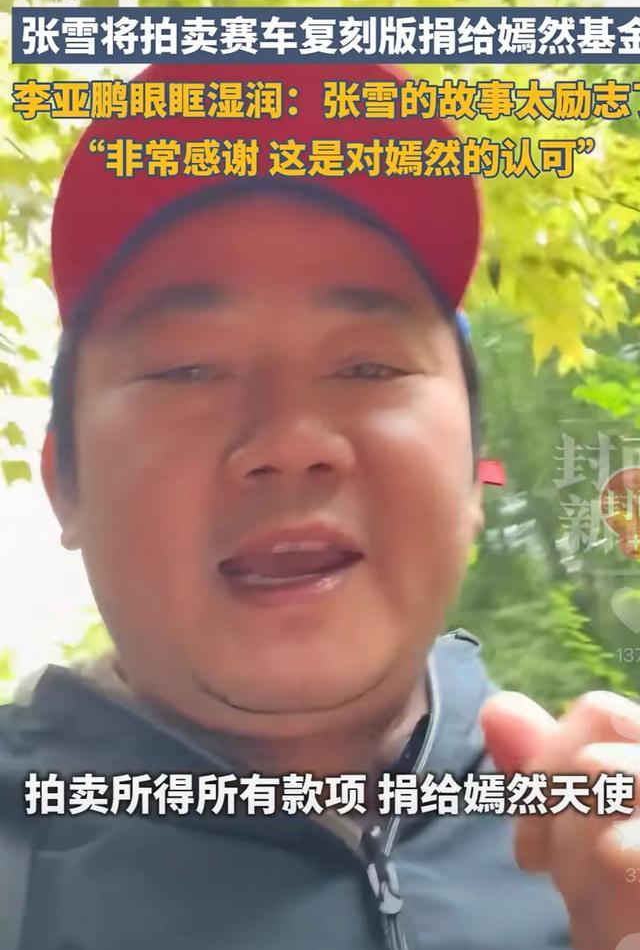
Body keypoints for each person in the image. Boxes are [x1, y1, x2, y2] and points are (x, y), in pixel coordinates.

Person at [0, 62, 638, 950]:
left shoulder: (600, 844)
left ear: (473, 477)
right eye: (187, 369)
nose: (291, 441)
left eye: (368, 367)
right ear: (64, 482)